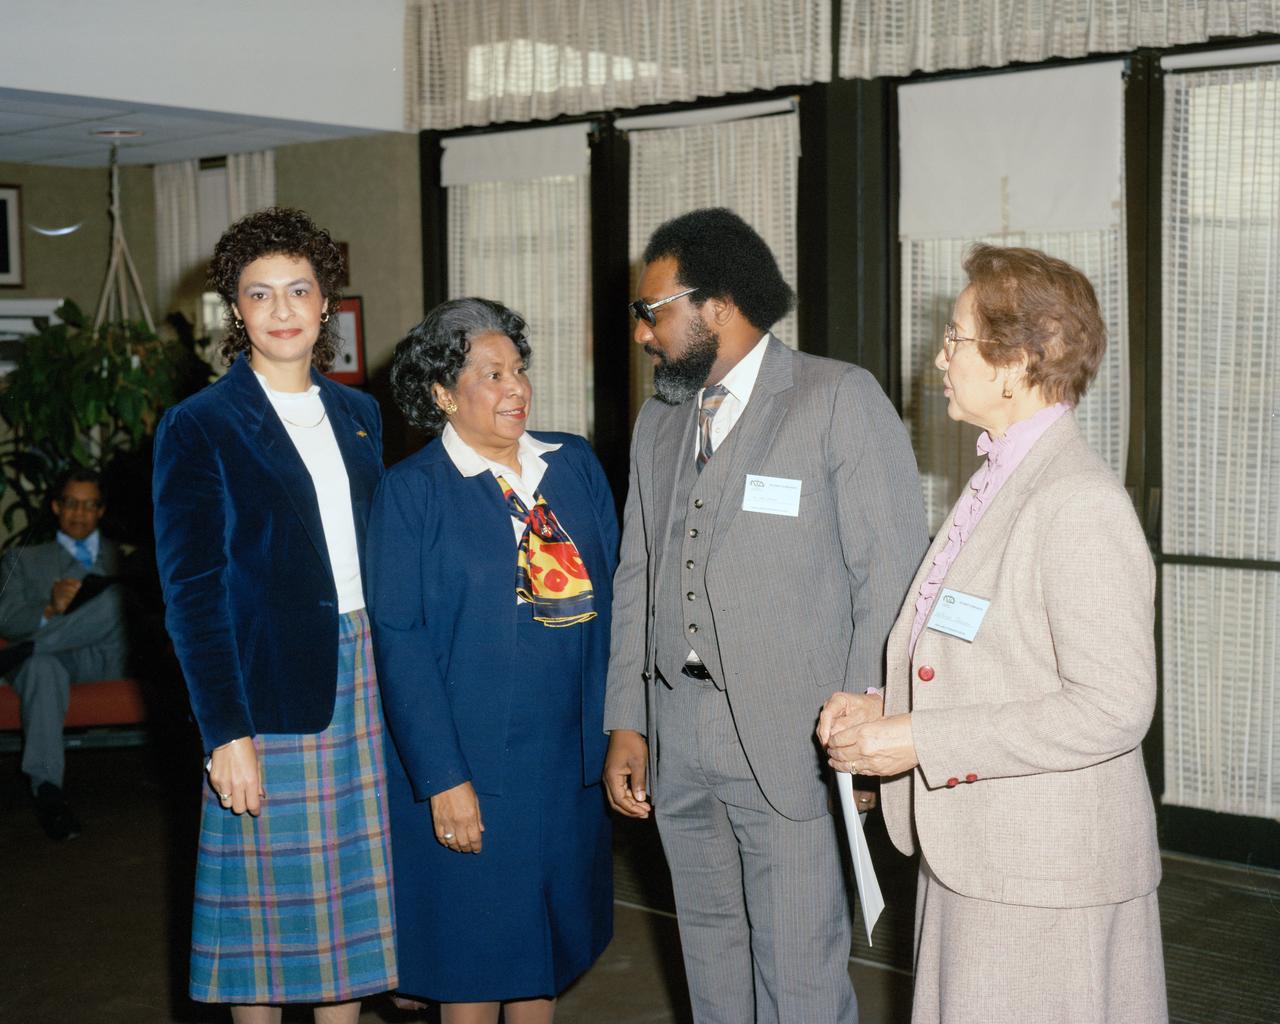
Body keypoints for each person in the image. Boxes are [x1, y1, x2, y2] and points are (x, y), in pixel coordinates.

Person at [819, 244, 1167, 1023]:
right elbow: (988, 652)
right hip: (983, 856)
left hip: (1047, 878)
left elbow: (1114, 707)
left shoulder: (1078, 501)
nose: (938, 358)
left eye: (955, 338)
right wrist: (885, 709)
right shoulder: (1002, 474)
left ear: (1017, 362)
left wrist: (921, 740)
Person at [603, 207, 927, 1024]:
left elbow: (888, 583)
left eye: (653, 312)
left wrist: (866, 740)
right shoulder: (659, 421)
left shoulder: (836, 398)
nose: (643, 334)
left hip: (794, 746)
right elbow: (636, 576)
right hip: (678, 743)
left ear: (716, 305)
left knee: (801, 976)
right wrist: (627, 722)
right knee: (709, 962)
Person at [153, 207, 396, 1022]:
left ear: (326, 303)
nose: (283, 309)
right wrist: (226, 731)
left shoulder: (362, 418)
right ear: (236, 310)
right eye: (261, 294)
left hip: (366, 678)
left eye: (299, 290)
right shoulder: (199, 427)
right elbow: (192, 593)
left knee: (353, 936)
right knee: (263, 942)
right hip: (267, 693)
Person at [366, 298, 618, 1024]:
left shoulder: (573, 466)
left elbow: (621, 601)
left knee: (540, 959)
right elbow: (400, 638)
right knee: (472, 968)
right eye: (492, 374)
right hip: (472, 768)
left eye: (519, 369)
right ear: (443, 393)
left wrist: (622, 730)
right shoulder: (413, 491)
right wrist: (444, 779)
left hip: (565, 763)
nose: (517, 388)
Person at [0, 468, 130, 840]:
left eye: (90, 506)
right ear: (56, 506)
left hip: (107, 658)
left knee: (118, 599)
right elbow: (5, 618)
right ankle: (49, 793)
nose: (80, 513)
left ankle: (26, 651)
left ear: (101, 511)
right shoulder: (23, 559)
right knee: (41, 667)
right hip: (54, 663)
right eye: (71, 503)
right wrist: (48, 609)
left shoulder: (122, 556)